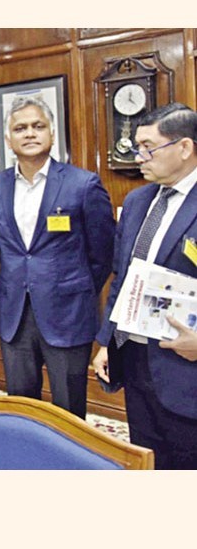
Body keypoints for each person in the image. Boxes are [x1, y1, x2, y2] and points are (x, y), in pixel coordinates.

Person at [0, 96, 114, 419]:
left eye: (38, 126)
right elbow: (3, 248)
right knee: (21, 408)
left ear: (52, 135)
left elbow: (103, 254)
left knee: (69, 410)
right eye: (20, 128)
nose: (29, 133)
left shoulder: (83, 184)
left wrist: (73, 287)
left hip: (68, 313)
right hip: (16, 315)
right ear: (9, 139)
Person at [93, 102, 197, 469]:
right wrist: (108, 340)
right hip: (136, 360)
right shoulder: (138, 201)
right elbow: (122, 276)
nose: (138, 156)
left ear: (184, 148)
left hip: (186, 366)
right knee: (149, 460)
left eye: (148, 147)